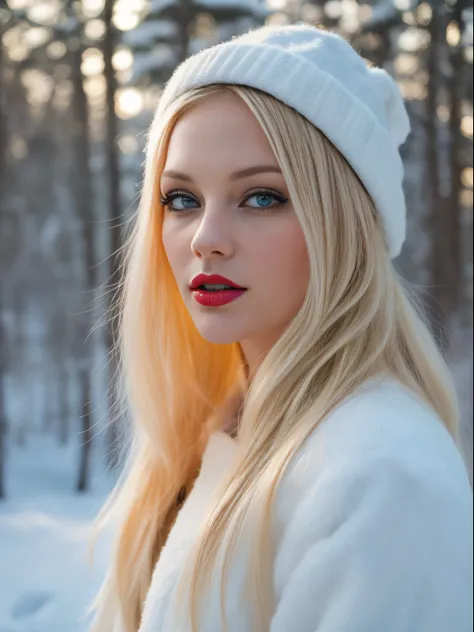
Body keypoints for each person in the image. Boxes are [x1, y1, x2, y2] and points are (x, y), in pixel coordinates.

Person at [88, 23, 473, 632]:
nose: (206, 240)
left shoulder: (381, 479)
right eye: (181, 199)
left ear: (341, 221)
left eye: (261, 197)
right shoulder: (227, 433)